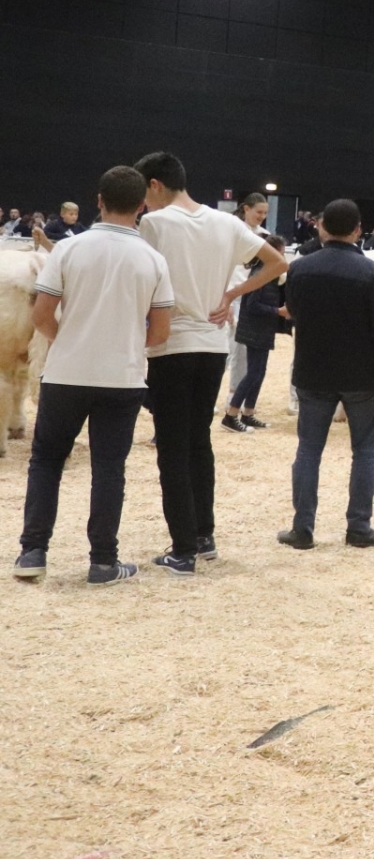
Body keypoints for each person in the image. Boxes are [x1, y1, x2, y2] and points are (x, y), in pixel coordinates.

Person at [13, 167, 173, 586]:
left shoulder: (67, 250)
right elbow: (160, 332)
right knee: (109, 468)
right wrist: (126, 348)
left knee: (46, 461)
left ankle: (32, 551)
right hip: (122, 377)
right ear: (141, 205)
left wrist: (68, 342)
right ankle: (103, 560)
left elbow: (42, 314)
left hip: (66, 372)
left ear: (98, 199)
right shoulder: (153, 260)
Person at [135, 152, 286, 574]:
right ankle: (204, 536)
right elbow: (277, 263)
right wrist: (231, 296)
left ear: (154, 185)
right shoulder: (225, 222)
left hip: (172, 345)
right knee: (198, 441)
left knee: (172, 446)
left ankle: (182, 549)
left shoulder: (154, 223)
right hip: (213, 345)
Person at [278, 200, 374, 550]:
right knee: (364, 452)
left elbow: (295, 313)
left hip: (313, 372)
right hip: (362, 376)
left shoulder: (300, 269)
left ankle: (302, 529)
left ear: (321, 227)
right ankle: (359, 526)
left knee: (308, 451)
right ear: (358, 230)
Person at [220, 234, 289, 433]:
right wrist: (278, 311)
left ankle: (248, 413)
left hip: (261, 329)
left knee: (259, 373)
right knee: (253, 373)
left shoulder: (267, 274)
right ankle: (231, 415)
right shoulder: (262, 275)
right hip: (255, 329)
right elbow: (252, 305)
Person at [223, 192, 271, 422]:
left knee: (242, 354)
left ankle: (235, 401)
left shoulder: (265, 237)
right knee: (225, 351)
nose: (262, 216)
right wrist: (228, 299)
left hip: (251, 299)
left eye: (265, 213)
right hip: (230, 297)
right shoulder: (231, 232)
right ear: (246, 209)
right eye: (258, 212)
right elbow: (230, 268)